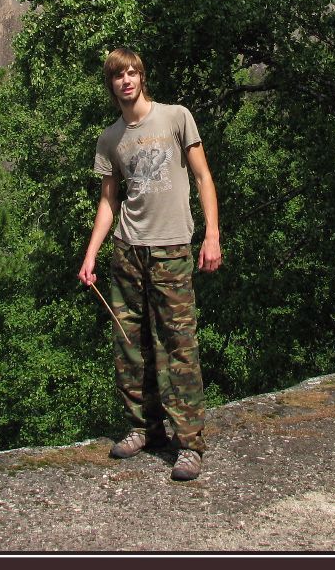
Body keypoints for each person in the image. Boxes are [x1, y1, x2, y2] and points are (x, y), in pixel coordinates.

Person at [78, 47, 222, 481]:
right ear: (111, 84)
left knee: (179, 345)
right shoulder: (109, 139)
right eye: (118, 75)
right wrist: (90, 255)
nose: (126, 80)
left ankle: (189, 443)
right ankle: (145, 427)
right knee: (130, 344)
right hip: (127, 249)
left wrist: (211, 235)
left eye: (133, 72)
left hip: (172, 248)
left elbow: (203, 177)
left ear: (142, 76)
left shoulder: (177, 117)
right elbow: (108, 202)